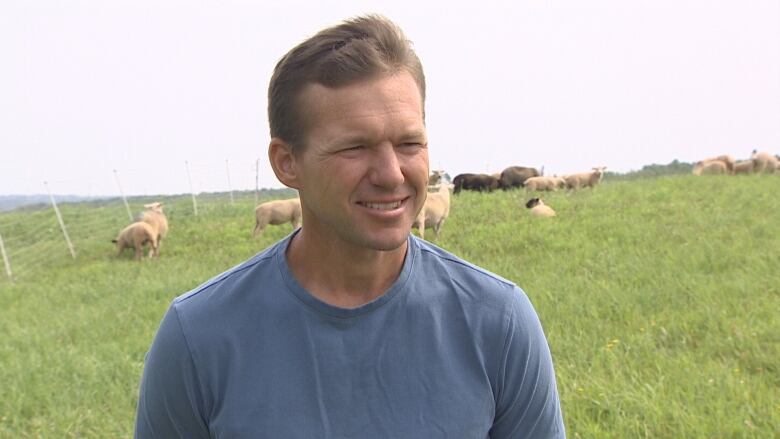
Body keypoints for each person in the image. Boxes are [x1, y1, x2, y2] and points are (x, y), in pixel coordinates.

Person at [134, 14, 565, 438]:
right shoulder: (199, 337)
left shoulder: (498, 322)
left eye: (409, 143)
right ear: (287, 163)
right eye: (355, 147)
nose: (392, 173)